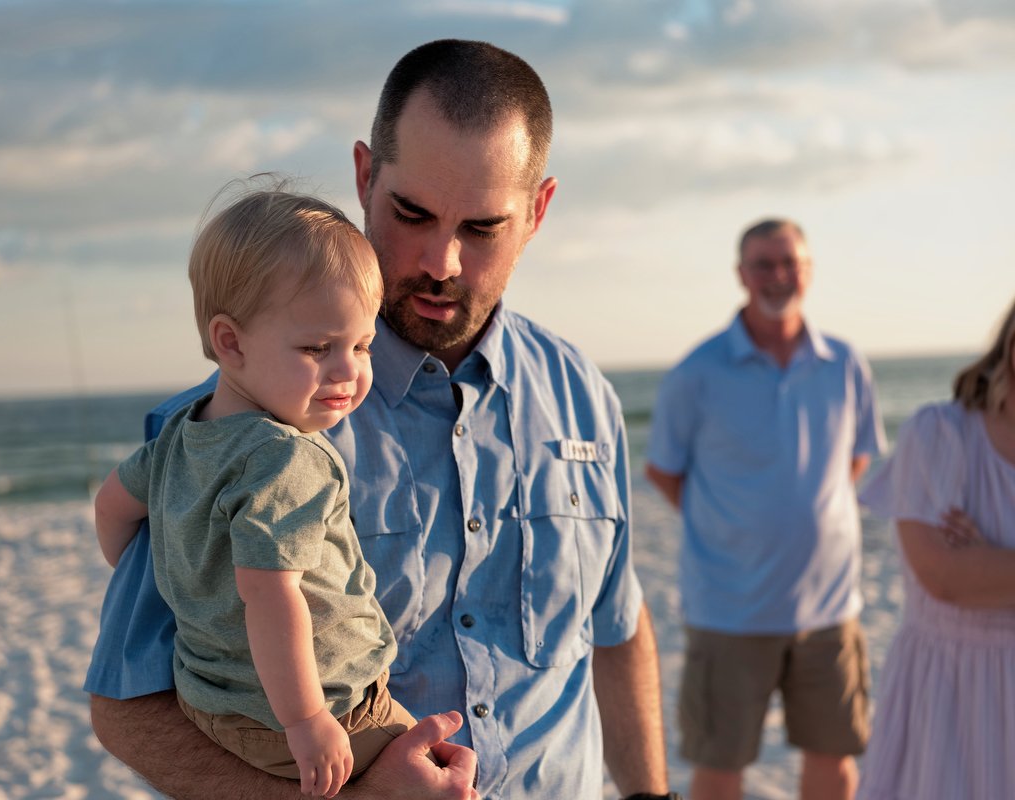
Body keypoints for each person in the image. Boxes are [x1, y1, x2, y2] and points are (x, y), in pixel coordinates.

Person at [86, 39, 677, 800]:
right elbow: (127, 709)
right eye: (412, 214)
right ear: (365, 176)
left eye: (483, 227)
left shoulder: (583, 394)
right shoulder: (226, 431)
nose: (442, 261)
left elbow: (617, 631)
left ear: (538, 212)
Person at [92, 188, 424, 798]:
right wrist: (306, 720)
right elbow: (271, 594)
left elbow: (111, 505)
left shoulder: (177, 436)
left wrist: (183, 583)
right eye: (316, 349)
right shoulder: (288, 457)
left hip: (211, 705)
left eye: (361, 345)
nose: (348, 371)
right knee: (444, 772)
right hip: (321, 712)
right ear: (231, 341)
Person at [645, 219, 885, 800]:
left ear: (809, 269)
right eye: (764, 264)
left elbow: (856, 459)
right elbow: (663, 469)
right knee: (720, 767)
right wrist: (737, 527)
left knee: (835, 761)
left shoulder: (845, 364)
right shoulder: (698, 370)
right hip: (730, 612)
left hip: (831, 610)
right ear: (741, 275)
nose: (779, 275)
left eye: (790, 262)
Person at [856, 297, 1015, 800]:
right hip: (952, 693)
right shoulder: (941, 434)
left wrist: (994, 562)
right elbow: (945, 577)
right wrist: (971, 569)